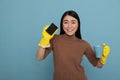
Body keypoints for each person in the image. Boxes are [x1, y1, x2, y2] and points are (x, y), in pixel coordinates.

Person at [36, 10, 110, 80]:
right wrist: (44, 40)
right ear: (62, 24)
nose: (69, 26)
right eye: (66, 22)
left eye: (73, 22)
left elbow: (98, 65)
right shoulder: (54, 39)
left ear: (78, 25)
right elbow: (39, 57)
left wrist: (103, 58)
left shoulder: (84, 44)